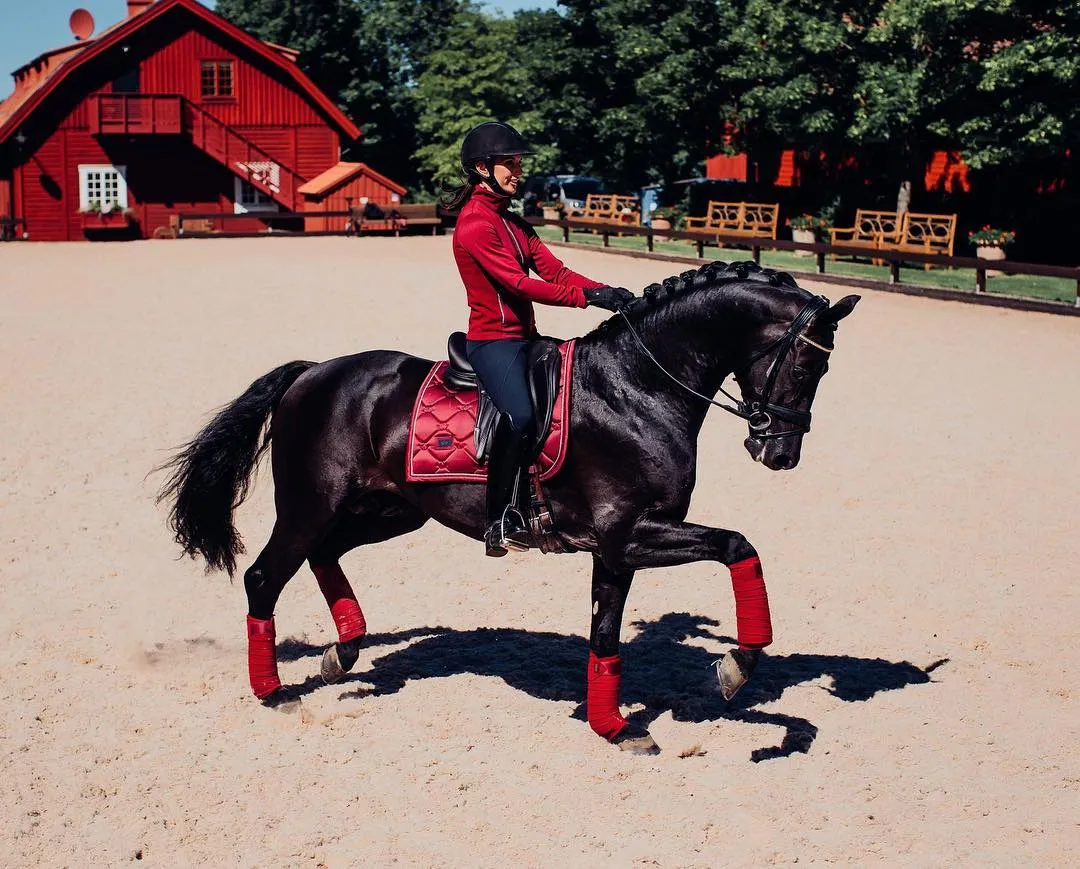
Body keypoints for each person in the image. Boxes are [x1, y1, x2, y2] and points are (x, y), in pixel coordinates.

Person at [447, 121, 635, 557]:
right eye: (509, 164)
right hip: (494, 344)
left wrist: (607, 291)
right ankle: (496, 522)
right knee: (521, 419)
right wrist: (586, 299)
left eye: (517, 163)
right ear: (481, 168)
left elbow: (555, 271)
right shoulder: (476, 225)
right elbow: (520, 285)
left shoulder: (512, 222)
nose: (517, 171)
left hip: (527, 338)